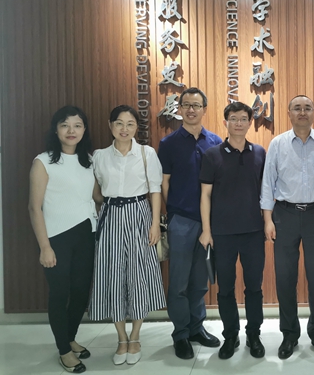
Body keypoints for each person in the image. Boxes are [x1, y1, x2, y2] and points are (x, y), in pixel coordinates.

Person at [261, 95, 314, 360]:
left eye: (307, 108)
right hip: (284, 214)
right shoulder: (278, 144)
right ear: (289, 113)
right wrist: (267, 219)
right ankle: (289, 334)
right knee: (285, 278)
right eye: (297, 108)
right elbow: (267, 183)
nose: (303, 112)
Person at [88, 105, 166, 366]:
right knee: (113, 276)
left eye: (130, 124)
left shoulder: (146, 153)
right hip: (110, 216)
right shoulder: (99, 156)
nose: (124, 129)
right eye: (119, 123)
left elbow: (155, 190)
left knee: (137, 276)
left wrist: (155, 224)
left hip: (139, 215)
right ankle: (121, 338)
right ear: (110, 126)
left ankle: (135, 337)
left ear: (136, 128)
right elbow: (96, 193)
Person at [28, 106, 97, 374]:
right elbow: (34, 208)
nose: (71, 131)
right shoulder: (43, 162)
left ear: (84, 130)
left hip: (86, 234)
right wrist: (45, 247)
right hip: (56, 237)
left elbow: (96, 196)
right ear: (56, 130)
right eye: (65, 125)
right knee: (59, 294)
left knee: (80, 292)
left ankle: (70, 337)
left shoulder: (88, 161)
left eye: (77, 125)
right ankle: (64, 351)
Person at [199, 102, 267, 360]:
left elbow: (266, 192)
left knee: (254, 287)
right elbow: (205, 195)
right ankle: (230, 336)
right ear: (225, 122)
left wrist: (268, 222)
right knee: (225, 289)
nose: (239, 123)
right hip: (222, 234)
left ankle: (254, 335)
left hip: (253, 232)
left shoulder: (259, 152)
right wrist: (207, 231)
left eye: (243, 119)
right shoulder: (212, 155)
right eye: (234, 118)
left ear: (250, 122)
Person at [157, 87, 222, 359]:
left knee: (200, 281)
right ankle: (181, 334)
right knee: (179, 283)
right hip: (182, 221)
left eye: (196, 105)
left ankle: (197, 328)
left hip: (209, 223)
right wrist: (175, 211)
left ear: (204, 109)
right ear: (179, 109)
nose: (191, 110)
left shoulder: (215, 141)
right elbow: (164, 183)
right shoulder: (168, 144)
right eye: (186, 105)